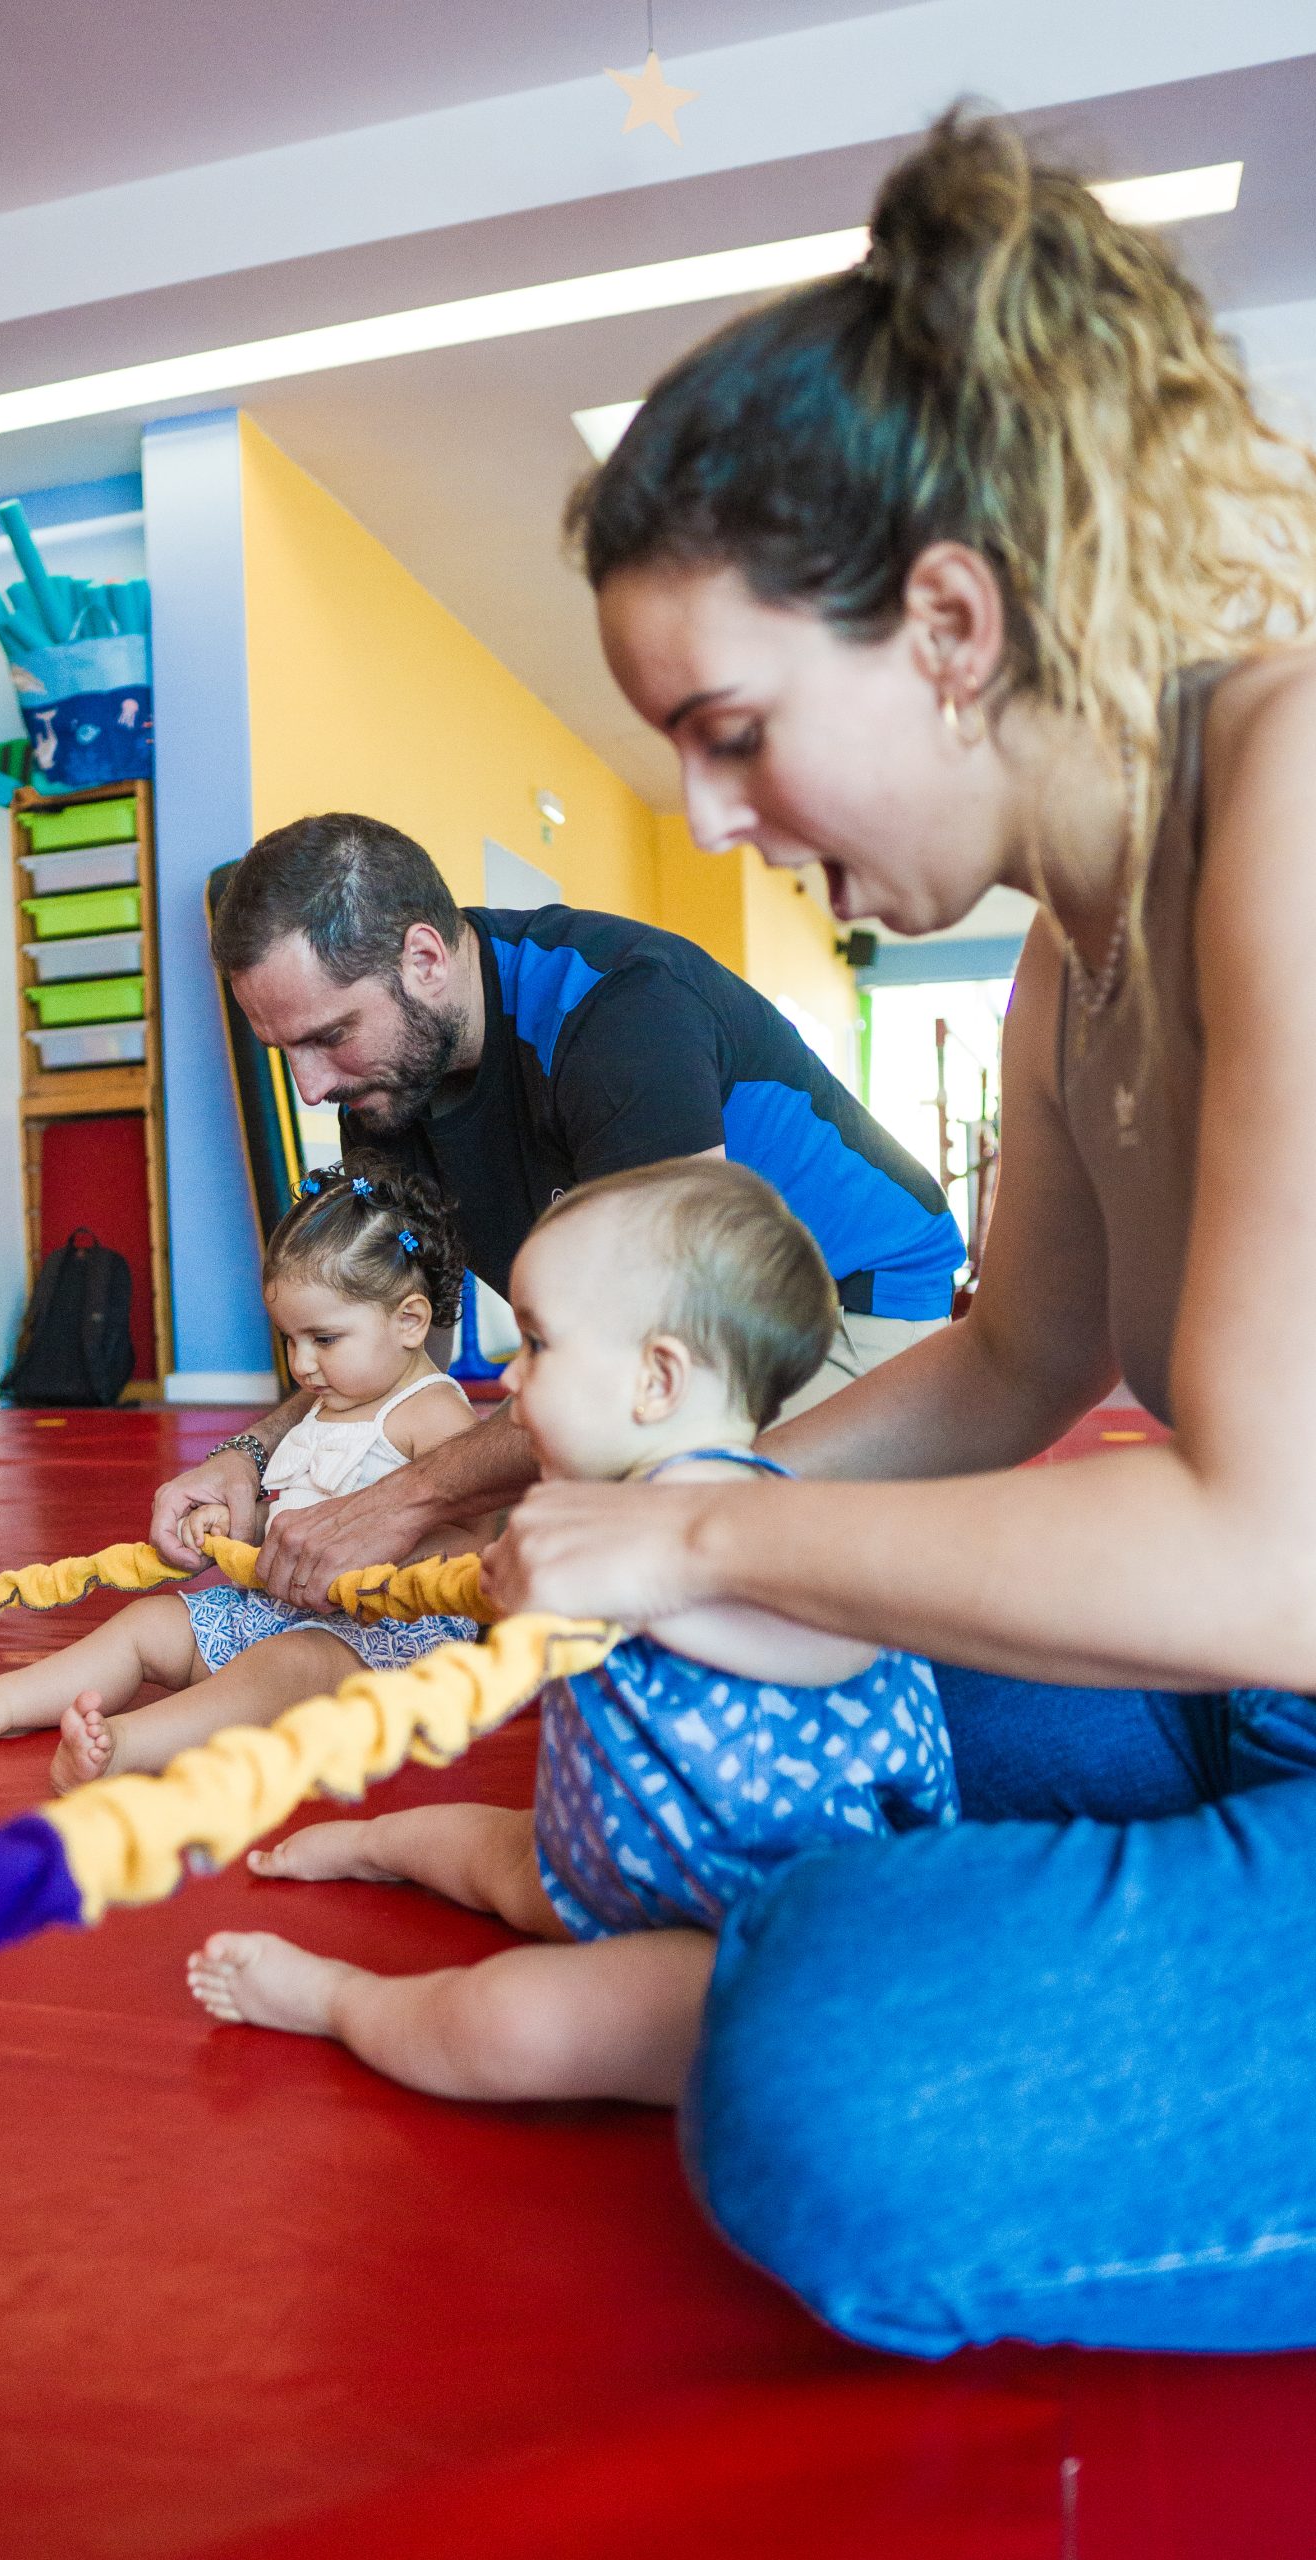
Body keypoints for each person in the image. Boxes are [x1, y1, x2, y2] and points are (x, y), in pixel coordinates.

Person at [473, 112, 1316, 2355]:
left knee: (829, 2088)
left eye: (733, 732)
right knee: (739, 1688)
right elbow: (1015, 1365)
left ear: (949, 623)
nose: (708, 819)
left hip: (1273, 1631)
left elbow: (1271, 1555)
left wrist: (701, 1537)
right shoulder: (1064, 959)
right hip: (1256, 1702)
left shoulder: (1296, 785)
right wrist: (645, 1499)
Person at [187, 1158, 955, 2101]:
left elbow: (844, 1631)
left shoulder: (755, 1516)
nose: (511, 1379)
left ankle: (340, 2000)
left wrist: (650, 1591)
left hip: (754, 1928)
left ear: (656, 1380)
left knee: (513, 2023)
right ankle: (375, 1844)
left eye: (540, 1346)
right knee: (503, 1859)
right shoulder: (600, 1507)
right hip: (613, 1851)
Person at [155, 817, 963, 1605]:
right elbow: (393, 1345)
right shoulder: (382, 1087)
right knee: (497, 1562)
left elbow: (663, 1344)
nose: (310, 1087)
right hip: (653, 1346)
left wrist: (398, 1501)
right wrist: (255, 1458)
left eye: (330, 1035)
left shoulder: (622, 1014)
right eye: (286, 1052)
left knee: (650, 1564)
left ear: (425, 960)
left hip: (849, 1298)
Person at [0, 1165, 483, 1790]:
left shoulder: (431, 1412)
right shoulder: (330, 1400)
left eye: (324, 1338)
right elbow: (301, 1506)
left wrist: (379, 1556)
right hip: (279, 1609)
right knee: (149, 1624)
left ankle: (125, 1747)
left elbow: (475, 1542)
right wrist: (239, 1523)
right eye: (289, 1340)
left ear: (410, 1321)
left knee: (282, 1666)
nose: (301, 1364)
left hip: (384, 1644)